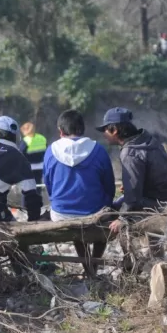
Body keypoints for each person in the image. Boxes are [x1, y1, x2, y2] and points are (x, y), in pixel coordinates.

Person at [44, 109, 115, 273]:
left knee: (75, 222)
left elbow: (48, 184)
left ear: (61, 131)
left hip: (61, 214)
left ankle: (88, 268)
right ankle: (93, 268)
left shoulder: (51, 150)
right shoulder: (98, 150)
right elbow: (109, 185)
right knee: (103, 214)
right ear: (83, 129)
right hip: (95, 213)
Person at [96, 108, 167, 235]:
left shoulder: (130, 153)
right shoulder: (147, 140)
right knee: (118, 205)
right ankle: (155, 252)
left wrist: (123, 218)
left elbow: (133, 196)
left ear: (114, 130)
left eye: (105, 130)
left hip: (158, 201)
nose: (104, 134)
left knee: (110, 214)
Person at [19, 122, 47, 194]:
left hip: (29, 168)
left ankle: (27, 203)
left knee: (28, 188)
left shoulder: (25, 141)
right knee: (38, 185)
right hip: (40, 166)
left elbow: (20, 155)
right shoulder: (42, 138)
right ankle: (38, 201)